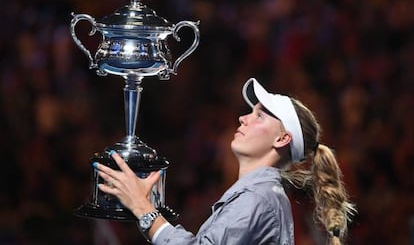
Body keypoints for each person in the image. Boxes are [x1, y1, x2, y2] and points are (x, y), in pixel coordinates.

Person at [94, 78, 356, 244]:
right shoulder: (261, 195)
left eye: (260, 116)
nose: (244, 118)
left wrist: (144, 210)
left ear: (281, 139)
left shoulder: (259, 198)